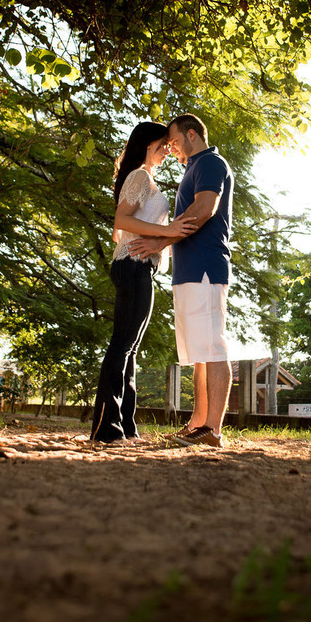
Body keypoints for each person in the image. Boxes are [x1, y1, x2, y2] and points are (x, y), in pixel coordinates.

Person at [89, 122, 199, 444]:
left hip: (141, 268)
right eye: (164, 143)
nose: (168, 149)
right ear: (149, 145)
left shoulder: (145, 178)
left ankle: (125, 426)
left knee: (130, 348)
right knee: (123, 345)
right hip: (132, 265)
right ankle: (106, 428)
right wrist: (169, 231)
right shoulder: (139, 175)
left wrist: (166, 239)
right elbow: (122, 219)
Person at [129, 113, 234, 448]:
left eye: (174, 142)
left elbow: (204, 209)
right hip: (188, 272)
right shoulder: (193, 167)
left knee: (213, 348)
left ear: (192, 135)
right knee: (200, 352)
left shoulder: (211, 162)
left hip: (205, 268)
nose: (171, 148)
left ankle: (213, 431)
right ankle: (198, 424)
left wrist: (160, 241)